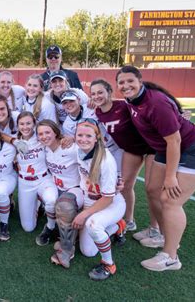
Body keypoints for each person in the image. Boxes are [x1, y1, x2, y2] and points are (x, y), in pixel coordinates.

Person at [116, 66, 195, 272]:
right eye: (121, 83)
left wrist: (171, 176)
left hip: (191, 149)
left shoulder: (155, 102)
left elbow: (175, 140)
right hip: (165, 148)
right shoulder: (132, 100)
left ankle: (171, 256)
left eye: (130, 81)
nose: (126, 85)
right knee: (152, 190)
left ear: (140, 81)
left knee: (170, 200)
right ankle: (158, 233)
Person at [89, 79, 157, 234]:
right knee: (125, 185)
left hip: (151, 147)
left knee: (152, 189)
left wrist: (180, 113)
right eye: (93, 94)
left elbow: (148, 109)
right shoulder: (97, 112)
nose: (97, 96)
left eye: (100, 92)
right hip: (131, 149)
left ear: (109, 92)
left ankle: (155, 228)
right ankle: (129, 220)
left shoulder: (123, 105)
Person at [72, 118, 126, 281]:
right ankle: (116, 227)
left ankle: (109, 264)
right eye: (79, 135)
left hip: (110, 203)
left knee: (92, 225)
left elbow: (108, 198)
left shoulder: (105, 160)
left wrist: (83, 214)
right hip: (89, 197)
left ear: (97, 138)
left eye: (88, 136)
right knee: (88, 251)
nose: (83, 139)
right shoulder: (77, 149)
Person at [37, 120, 84, 263]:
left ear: (56, 132)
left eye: (47, 132)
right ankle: (51, 227)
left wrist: (74, 137)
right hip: (57, 186)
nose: (44, 136)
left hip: (75, 188)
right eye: (40, 134)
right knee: (49, 198)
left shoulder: (70, 148)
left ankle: (68, 248)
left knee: (65, 205)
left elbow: (92, 148)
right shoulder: (44, 148)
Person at [12, 113, 57, 238]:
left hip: (43, 179)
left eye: (28, 123)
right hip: (25, 183)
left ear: (34, 124)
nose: (25, 127)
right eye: (22, 124)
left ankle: (51, 227)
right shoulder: (15, 141)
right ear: (18, 125)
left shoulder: (41, 138)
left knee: (51, 200)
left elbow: (57, 137)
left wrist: (70, 138)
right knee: (28, 228)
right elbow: (2, 136)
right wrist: (13, 141)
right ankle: (37, 205)